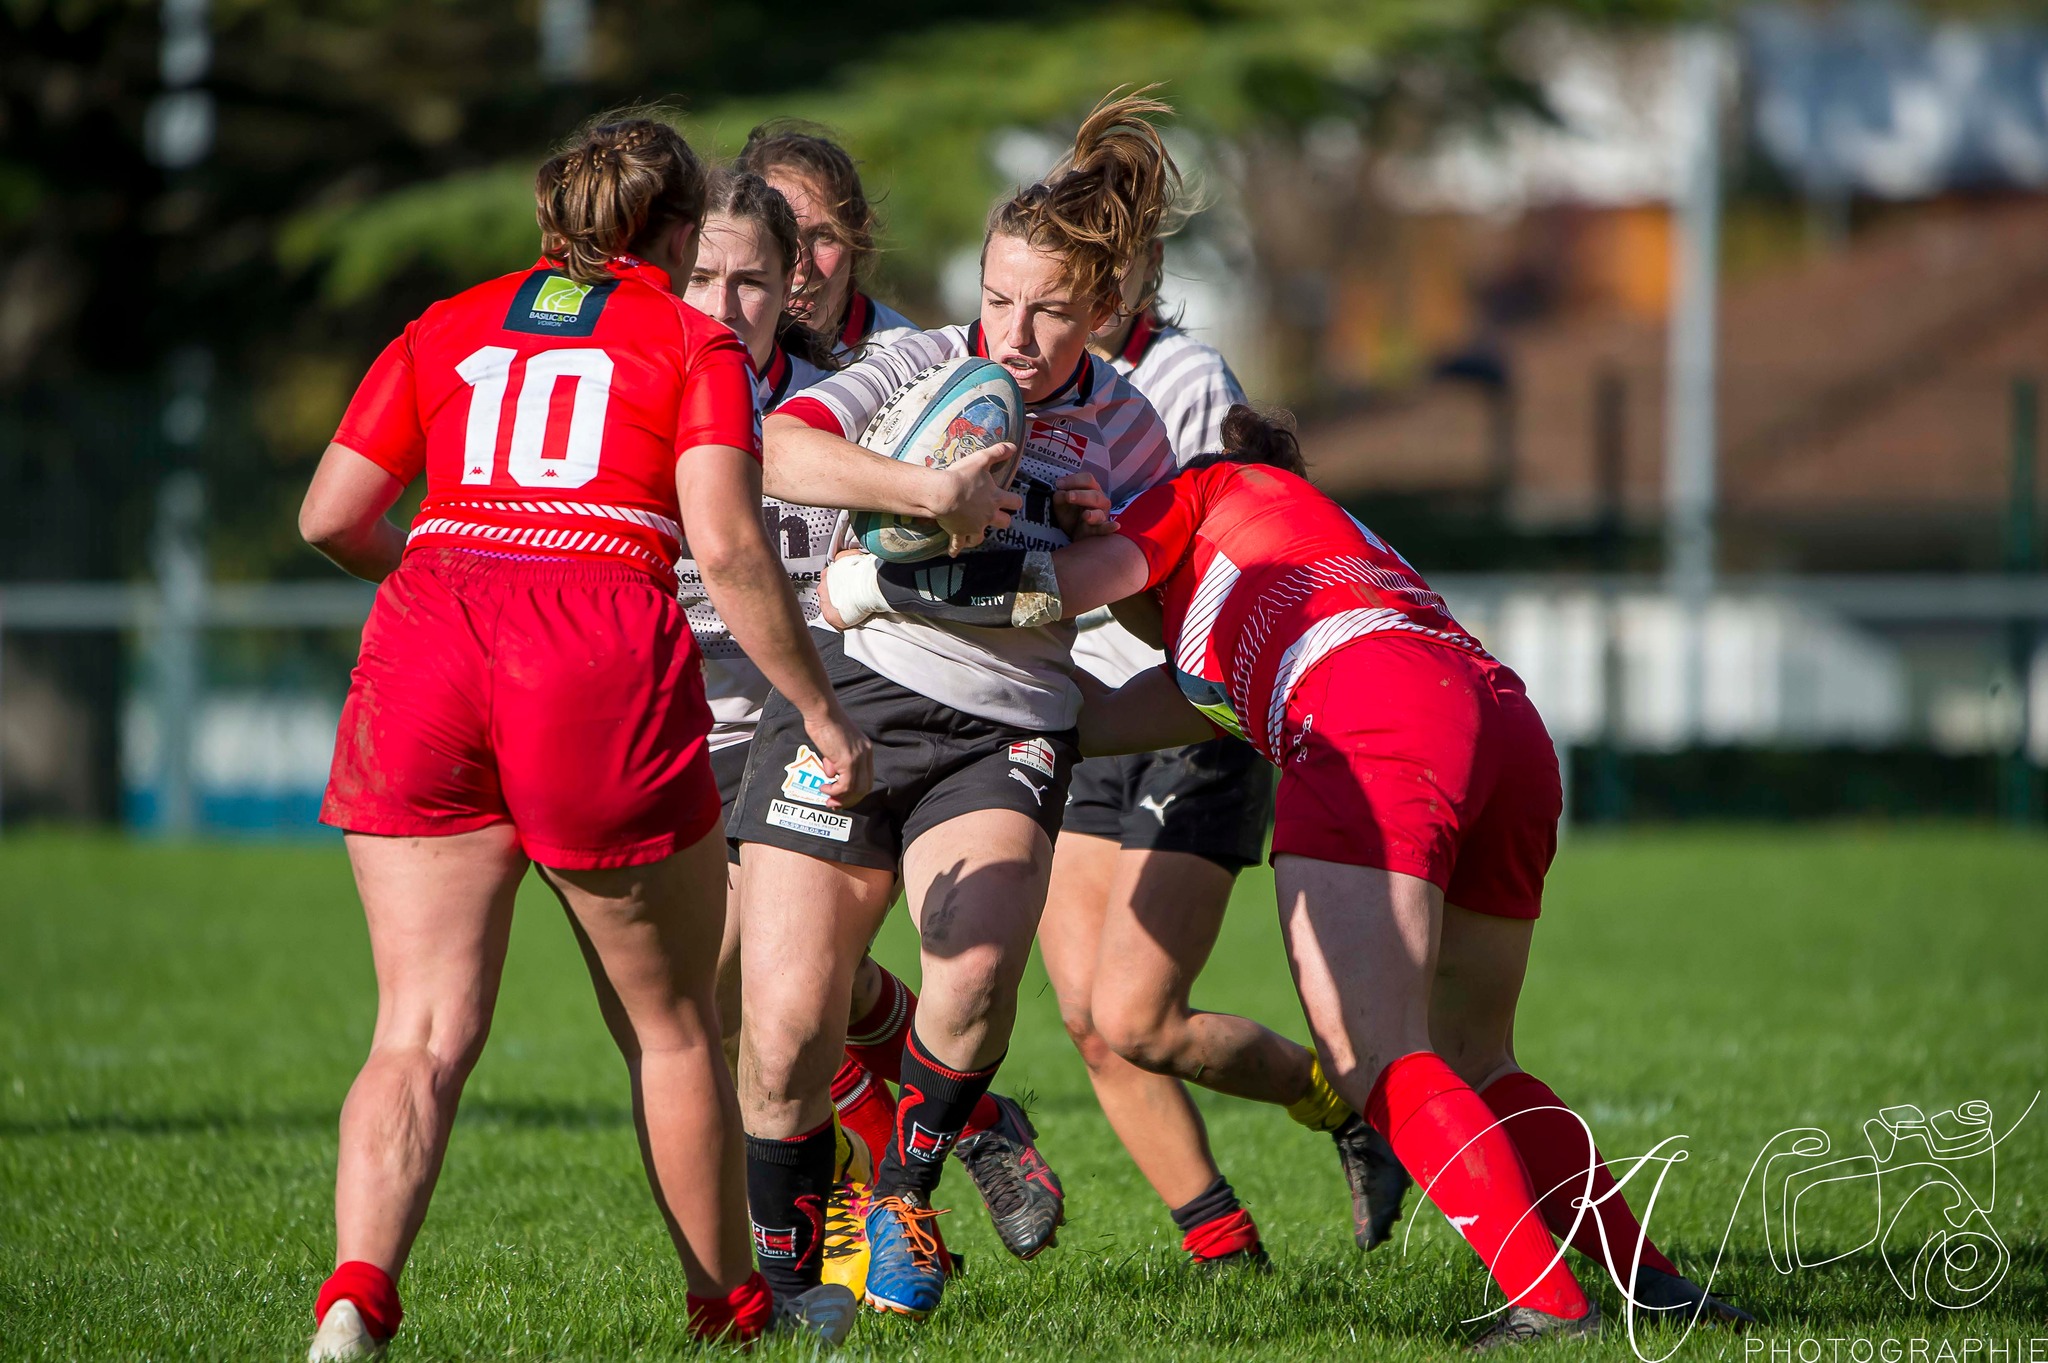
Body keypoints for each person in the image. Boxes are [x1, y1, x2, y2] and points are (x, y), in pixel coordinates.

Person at [820, 406, 1756, 1347]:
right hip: (1494, 714)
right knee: (1477, 1057)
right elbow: (1094, 719)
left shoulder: (1188, 494)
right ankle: (1656, 1286)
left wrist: (877, 583)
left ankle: (1549, 1304)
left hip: (1364, 714)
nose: (1128, 620)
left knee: (1368, 1053)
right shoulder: (1280, 563)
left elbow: (1050, 589)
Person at [296, 115, 874, 1358]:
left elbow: (330, 516)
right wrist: (821, 711)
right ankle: (727, 1307)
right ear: (674, 235)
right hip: (594, 642)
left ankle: (354, 1296)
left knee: (418, 1028)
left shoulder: (448, 321)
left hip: (431, 636)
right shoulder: (689, 336)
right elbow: (721, 541)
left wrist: (441, 577)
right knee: (668, 1026)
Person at [731, 89, 1182, 1321]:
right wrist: (928, 497)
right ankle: (786, 1290)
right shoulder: (921, 363)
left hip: (1004, 726)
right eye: (997, 297)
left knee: (973, 973)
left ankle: (904, 1193)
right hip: (847, 700)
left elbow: (1149, 598)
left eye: (1048, 309)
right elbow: (776, 449)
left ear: (1102, 313)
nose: (1014, 334)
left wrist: (1102, 551)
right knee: (781, 1041)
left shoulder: (1126, 427)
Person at [674, 168, 1037, 1290]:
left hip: (803, 704)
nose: (728, 299)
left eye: (758, 275)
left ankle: (857, 1206)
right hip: (682, 716)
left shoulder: (861, 394)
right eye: (702, 276)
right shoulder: (645, 385)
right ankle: (945, 1135)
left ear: (794, 280)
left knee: (746, 992)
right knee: (745, 1004)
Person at [1043, 230, 1411, 1270]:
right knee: (1085, 1016)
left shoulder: (1184, 377)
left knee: (1135, 1013)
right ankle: (1223, 1246)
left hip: (1191, 708)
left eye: (1079, 289)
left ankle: (1347, 1105)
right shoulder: (1010, 371)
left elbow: (1208, 547)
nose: (1049, 312)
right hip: (1094, 708)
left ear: (1127, 285)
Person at [735, 121, 919, 359]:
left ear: (858, 239)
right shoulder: (704, 346)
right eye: (781, 235)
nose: (802, 264)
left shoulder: (908, 359)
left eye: (824, 236)